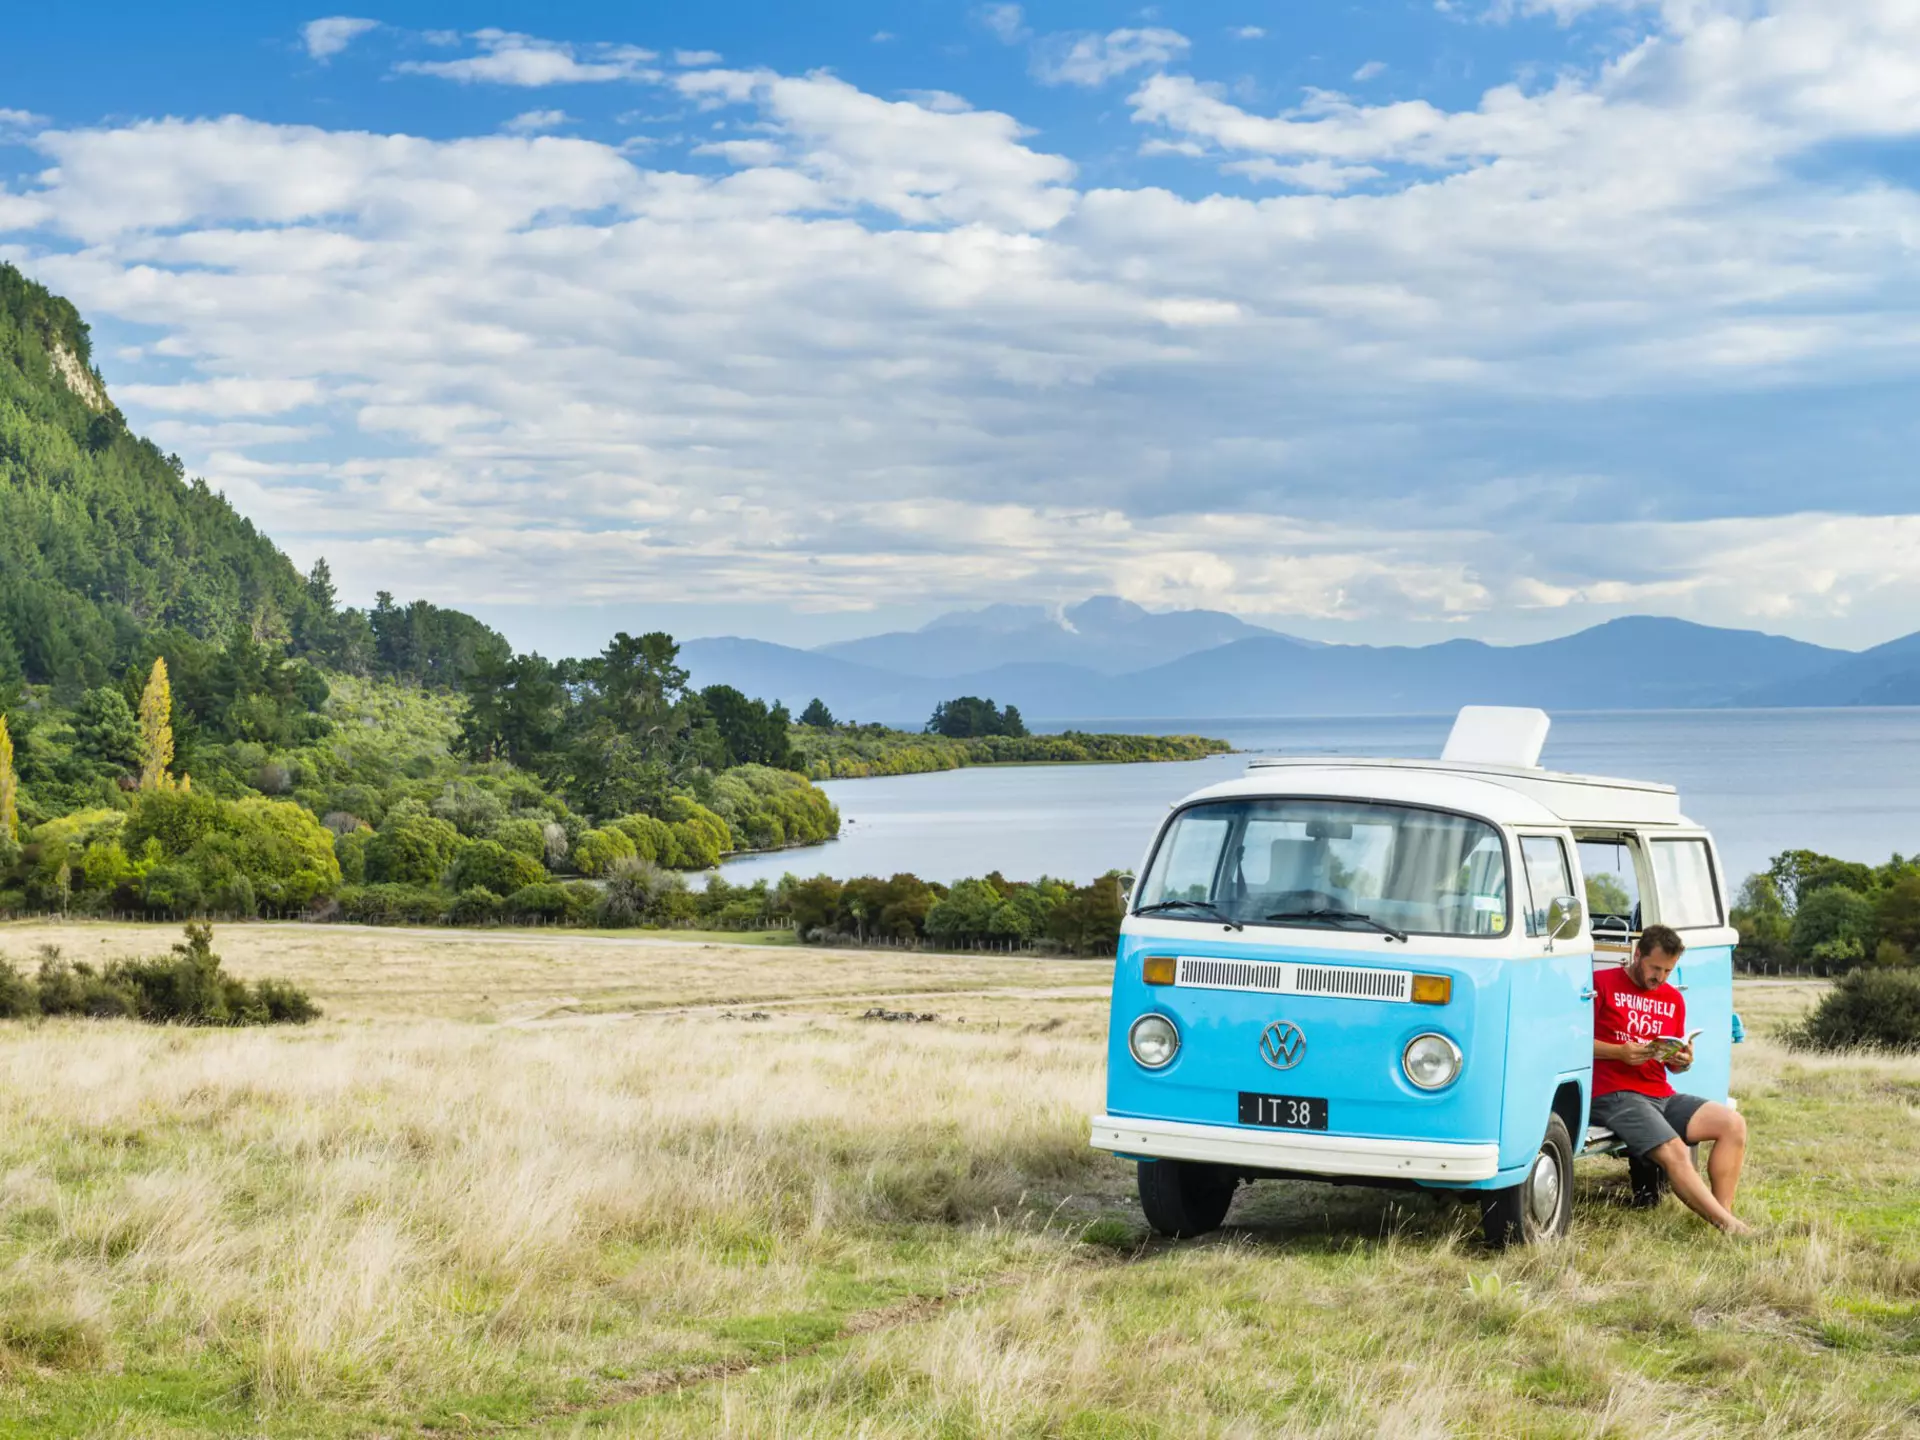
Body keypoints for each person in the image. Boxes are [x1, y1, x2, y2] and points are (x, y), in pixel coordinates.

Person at [1590, 924, 1752, 1234]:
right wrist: (1618, 1052)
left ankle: (1722, 1214)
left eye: (1668, 970)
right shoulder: (1601, 984)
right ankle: (1730, 1227)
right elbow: (1572, 1042)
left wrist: (1682, 1060)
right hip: (1615, 1093)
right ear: (1637, 955)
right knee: (1676, 1151)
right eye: (1655, 968)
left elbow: (1671, 1063)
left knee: (1733, 1124)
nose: (1660, 977)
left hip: (1661, 1093)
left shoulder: (1673, 998)